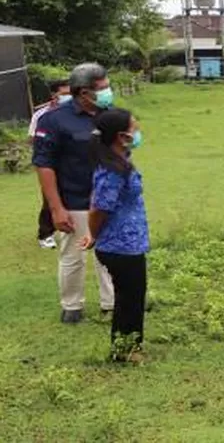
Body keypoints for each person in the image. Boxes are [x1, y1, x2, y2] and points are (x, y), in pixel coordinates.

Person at [32, 63, 115, 324]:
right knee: (73, 256)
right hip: (74, 201)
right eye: (101, 89)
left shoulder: (108, 114)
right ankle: (72, 305)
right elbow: (43, 164)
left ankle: (111, 303)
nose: (107, 92)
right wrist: (56, 208)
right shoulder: (54, 120)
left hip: (107, 199)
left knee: (110, 253)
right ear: (82, 93)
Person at [80, 109, 149, 364]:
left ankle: (127, 347)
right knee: (129, 298)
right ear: (121, 136)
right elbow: (99, 208)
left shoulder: (119, 160)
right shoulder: (112, 170)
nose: (138, 128)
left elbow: (95, 198)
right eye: (134, 125)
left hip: (129, 242)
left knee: (131, 296)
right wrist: (93, 235)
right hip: (120, 245)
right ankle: (125, 351)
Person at [28, 79, 72, 249]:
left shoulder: (76, 112)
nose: (69, 97)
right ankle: (45, 234)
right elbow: (32, 139)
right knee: (50, 198)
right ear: (54, 95)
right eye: (65, 94)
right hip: (50, 164)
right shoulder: (41, 115)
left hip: (73, 162)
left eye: (70, 93)